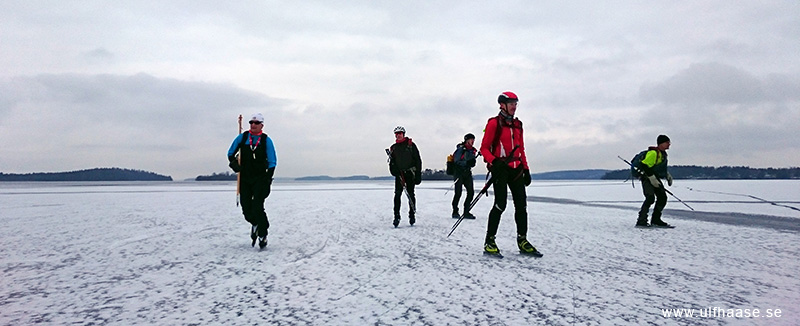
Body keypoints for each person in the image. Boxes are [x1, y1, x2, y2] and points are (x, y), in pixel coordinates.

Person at [479, 91, 541, 257]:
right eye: (511, 103)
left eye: (516, 103)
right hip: (501, 169)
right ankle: (489, 241)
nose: (514, 106)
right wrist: (494, 161)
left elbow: (521, 149)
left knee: (521, 205)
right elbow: (484, 149)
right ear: (502, 105)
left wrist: (526, 169)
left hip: (517, 169)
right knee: (500, 204)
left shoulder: (518, 125)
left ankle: (523, 240)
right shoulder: (494, 123)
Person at [227, 113, 278, 248]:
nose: (253, 125)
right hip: (245, 178)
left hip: (260, 178)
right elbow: (230, 153)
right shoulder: (243, 137)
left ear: (262, 125)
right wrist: (234, 164)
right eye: (251, 122)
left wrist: (268, 178)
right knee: (246, 209)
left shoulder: (266, 140)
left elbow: (272, 161)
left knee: (257, 206)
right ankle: (255, 224)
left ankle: (263, 234)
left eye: (256, 123)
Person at [636, 135, 674, 228]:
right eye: (667, 142)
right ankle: (641, 220)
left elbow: (660, 167)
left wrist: (667, 175)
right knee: (650, 198)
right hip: (647, 178)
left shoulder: (662, 154)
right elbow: (645, 165)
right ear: (661, 143)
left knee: (662, 197)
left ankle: (656, 220)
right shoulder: (653, 153)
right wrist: (652, 178)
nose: (669, 144)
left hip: (655, 178)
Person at [388, 126, 422, 227]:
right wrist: (393, 171)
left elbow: (418, 160)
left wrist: (418, 175)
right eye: (396, 134)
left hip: (410, 174)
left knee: (411, 195)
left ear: (403, 134)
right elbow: (392, 162)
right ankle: (396, 216)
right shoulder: (393, 147)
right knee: (397, 195)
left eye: (400, 133)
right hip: (399, 175)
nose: (398, 135)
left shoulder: (411, 145)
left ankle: (412, 215)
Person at [451, 133, 478, 219]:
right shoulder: (460, 149)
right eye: (471, 139)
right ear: (467, 140)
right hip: (459, 173)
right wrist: (467, 163)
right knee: (458, 193)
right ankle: (455, 211)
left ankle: (466, 211)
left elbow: (472, 163)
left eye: (473, 139)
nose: (473, 141)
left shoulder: (472, 150)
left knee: (471, 192)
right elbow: (456, 161)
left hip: (467, 173)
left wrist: (472, 163)